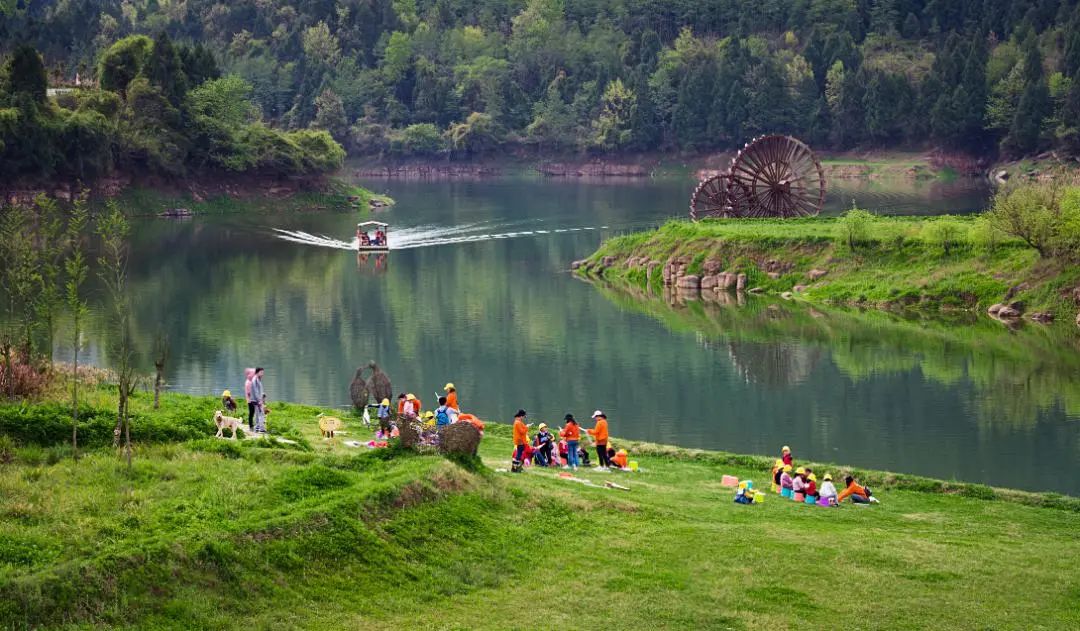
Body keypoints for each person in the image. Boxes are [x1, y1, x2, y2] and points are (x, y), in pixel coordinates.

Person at [251, 367, 266, 434]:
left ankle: (257, 428)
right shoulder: (255, 380)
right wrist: (259, 400)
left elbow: (259, 390)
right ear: (257, 372)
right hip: (257, 400)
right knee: (261, 413)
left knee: (257, 414)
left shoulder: (257, 379)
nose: (263, 374)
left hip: (256, 400)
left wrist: (263, 394)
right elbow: (255, 391)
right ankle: (261, 429)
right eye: (261, 372)